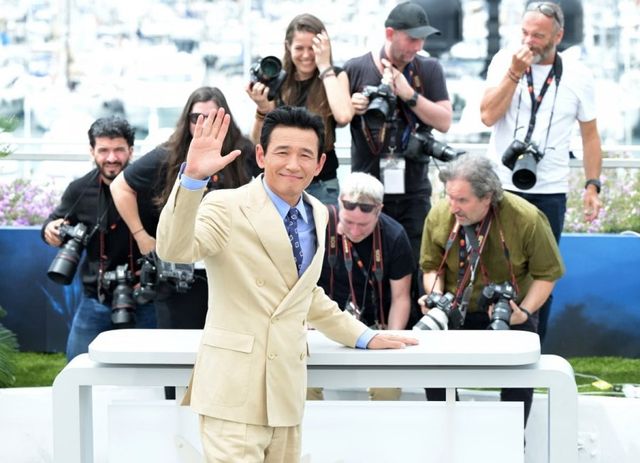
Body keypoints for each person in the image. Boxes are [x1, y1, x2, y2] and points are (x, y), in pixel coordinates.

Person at [155, 105, 417, 462]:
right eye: (282, 152)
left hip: (286, 393)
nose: (293, 164)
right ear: (261, 155)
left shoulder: (319, 212)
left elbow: (303, 294)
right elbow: (174, 249)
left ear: (319, 164)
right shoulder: (226, 205)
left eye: (305, 155)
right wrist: (192, 181)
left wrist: (363, 336)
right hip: (233, 392)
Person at [479, 1, 602, 341]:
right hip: (501, 186)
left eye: (538, 36)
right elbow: (487, 116)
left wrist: (592, 185)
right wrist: (514, 73)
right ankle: (490, 346)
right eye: (525, 33)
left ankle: (532, 348)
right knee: (493, 268)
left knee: (542, 276)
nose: (529, 41)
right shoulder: (504, 61)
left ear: (558, 36)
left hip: (549, 190)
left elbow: (590, 136)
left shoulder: (578, 75)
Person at [418, 155, 564, 426]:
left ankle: (512, 438)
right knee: (434, 371)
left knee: (519, 378)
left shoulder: (527, 218)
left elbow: (548, 274)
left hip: (508, 310)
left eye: (462, 200)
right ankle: (447, 433)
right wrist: (436, 298)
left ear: (487, 197)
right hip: (456, 308)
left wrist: (524, 312)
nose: (453, 207)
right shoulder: (439, 214)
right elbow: (430, 267)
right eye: (450, 197)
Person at [110, 86, 257, 331]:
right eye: (196, 117)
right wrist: (141, 236)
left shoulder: (241, 151)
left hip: (230, 268)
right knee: (178, 345)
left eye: (212, 117)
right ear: (187, 119)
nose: (203, 124)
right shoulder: (170, 153)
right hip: (179, 273)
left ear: (225, 118)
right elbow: (120, 186)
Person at [345, 1, 453, 262]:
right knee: (367, 264)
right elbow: (336, 119)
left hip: (413, 190)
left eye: (422, 40)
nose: (418, 47)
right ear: (390, 34)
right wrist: (352, 105)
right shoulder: (356, 68)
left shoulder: (429, 68)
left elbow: (444, 121)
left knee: (413, 262)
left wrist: (409, 94)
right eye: (412, 39)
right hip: (366, 190)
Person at [42, 116, 156, 361]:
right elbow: (54, 221)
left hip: (143, 298)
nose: (111, 158)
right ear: (92, 151)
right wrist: (50, 230)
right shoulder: (79, 189)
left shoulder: (150, 189)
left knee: (149, 373)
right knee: (78, 367)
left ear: (131, 151)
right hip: (96, 298)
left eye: (119, 150)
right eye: (103, 150)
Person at [316, 171, 415, 401]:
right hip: (324, 325)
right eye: (348, 222)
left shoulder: (394, 235)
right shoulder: (319, 225)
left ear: (379, 211)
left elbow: (401, 298)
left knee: (387, 389)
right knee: (303, 384)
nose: (355, 231)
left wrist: (392, 338)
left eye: (363, 225)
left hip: (375, 326)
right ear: (339, 203)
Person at [246, 13, 353, 206]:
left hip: (322, 184)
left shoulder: (335, 76)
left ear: (324, 47)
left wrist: (324, 66)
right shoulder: (277, 79)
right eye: (299, 48)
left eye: (312, 48)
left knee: (322, 227)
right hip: (279, 182)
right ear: (288, 47)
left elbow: (344, 116)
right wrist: (262, 108)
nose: (306, 55)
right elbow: (257, 141)